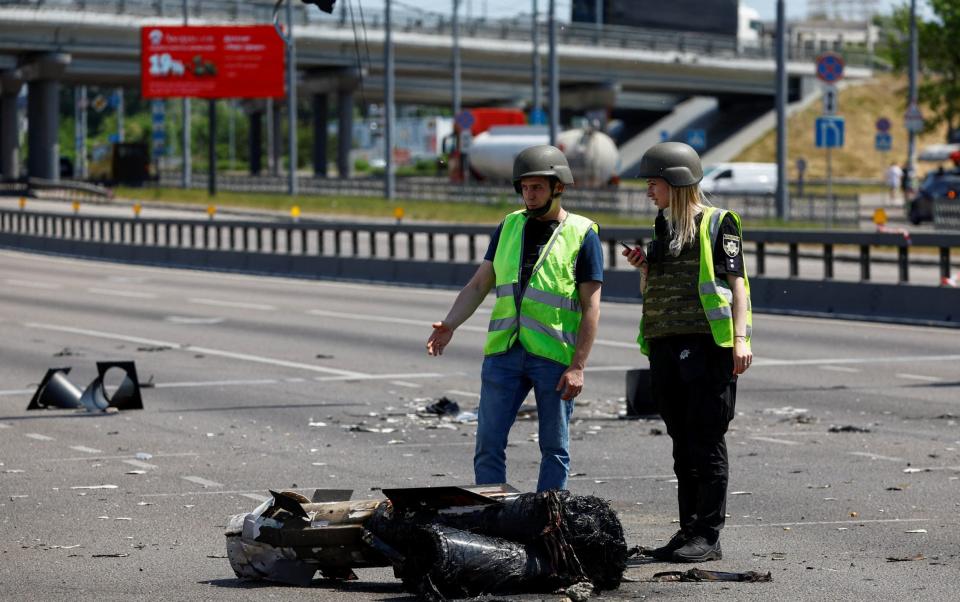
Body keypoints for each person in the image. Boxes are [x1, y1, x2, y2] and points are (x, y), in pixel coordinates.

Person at [426, 145, 603, 492]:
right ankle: (493, 517)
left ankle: (547, 518)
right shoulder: (509, 226)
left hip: (553, 357)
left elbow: (592, 307)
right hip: (504, 354)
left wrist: (578, 365)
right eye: (524, 187)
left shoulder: (583, 234)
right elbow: (479, 284)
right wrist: (450, 324)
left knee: (554, 448)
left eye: (537, 187)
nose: (529, 194)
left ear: (558, 187)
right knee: (488, 445)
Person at [622, 142, 753, 563]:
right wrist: (645, 268)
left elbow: (738, 287)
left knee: (706, 440)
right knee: (682, 444)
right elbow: (653, 288)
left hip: (706, 346)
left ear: (675, 182)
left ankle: (708, 537)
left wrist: (741, 339)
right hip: (665, 343)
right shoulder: (662, 227)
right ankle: (688, 531)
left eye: (653, 183)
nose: (648, 192)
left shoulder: (719, 224)